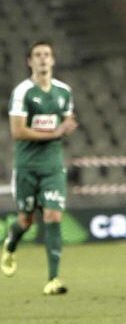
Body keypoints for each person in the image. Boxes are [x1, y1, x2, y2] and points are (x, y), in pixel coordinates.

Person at [2, 41, 78, 295]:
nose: (43, 59)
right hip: (26, 167)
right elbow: (17, 131)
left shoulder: (64, 92)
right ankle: (10, 245)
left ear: (53, 60)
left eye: (47, 55)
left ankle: (53, 279)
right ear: (30, 61)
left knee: (53, 216)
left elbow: (67, 120)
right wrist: (56, 132)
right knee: (25, 220)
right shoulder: (23, 92)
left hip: (53, 167)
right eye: (38, 55)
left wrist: (66, 127)